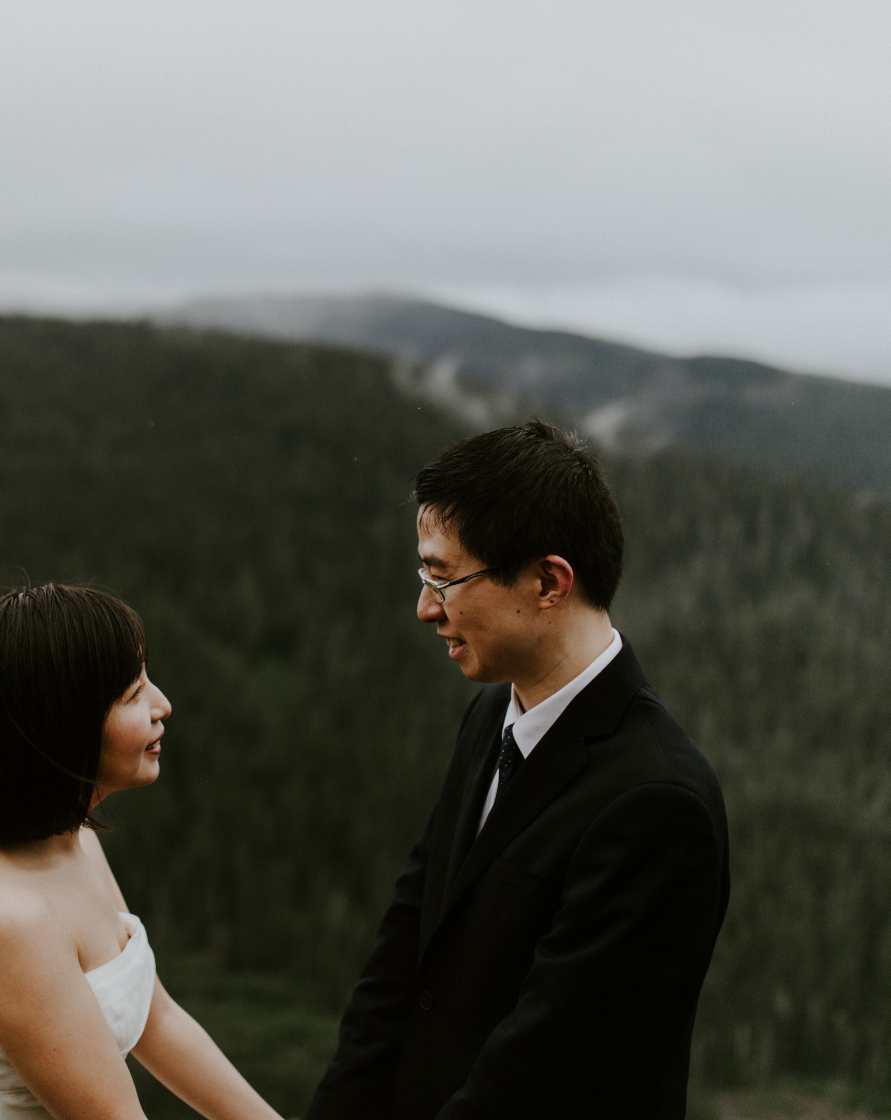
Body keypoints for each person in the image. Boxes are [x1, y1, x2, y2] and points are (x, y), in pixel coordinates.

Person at [305, 420, 731, 1120]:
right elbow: (404, 953)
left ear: (547, 582)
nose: (423, 608)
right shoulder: (489, 719)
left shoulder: (656, 801)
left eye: (443, 577)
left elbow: (546, 1071)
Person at [0, 583, 283, 1120]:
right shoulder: (2, 921)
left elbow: (157, 1019)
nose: (163, 705)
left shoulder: (71, 834)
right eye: (134, 694)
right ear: (59, 726)